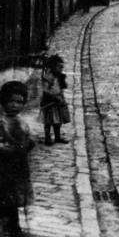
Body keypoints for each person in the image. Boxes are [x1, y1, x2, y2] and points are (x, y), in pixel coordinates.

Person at [0, 81, 34, 237]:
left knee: (14, 198)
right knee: (4, 195)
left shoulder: (22, 122)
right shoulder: (2, 123)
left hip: (18, 168)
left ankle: (14, 227)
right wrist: (15, 149)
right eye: (11, 101)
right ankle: (7, 227)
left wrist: (28, 144)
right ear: (4, 102)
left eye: (19, 102)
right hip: (4, 167)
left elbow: (26, 141)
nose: (15, 105)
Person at [41, 55, 70, 146]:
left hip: (58, 101)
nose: (61, 69)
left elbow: (61, 88)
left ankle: (57, 137)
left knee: (58, 121)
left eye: (62, 67)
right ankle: (47, 137)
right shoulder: (48, 77)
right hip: (49, 102)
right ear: (53, 67)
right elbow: (45, 90)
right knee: (48, 121)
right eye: (59, 67)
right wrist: (54, 97)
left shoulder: (59, 76)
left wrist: (61, 98)